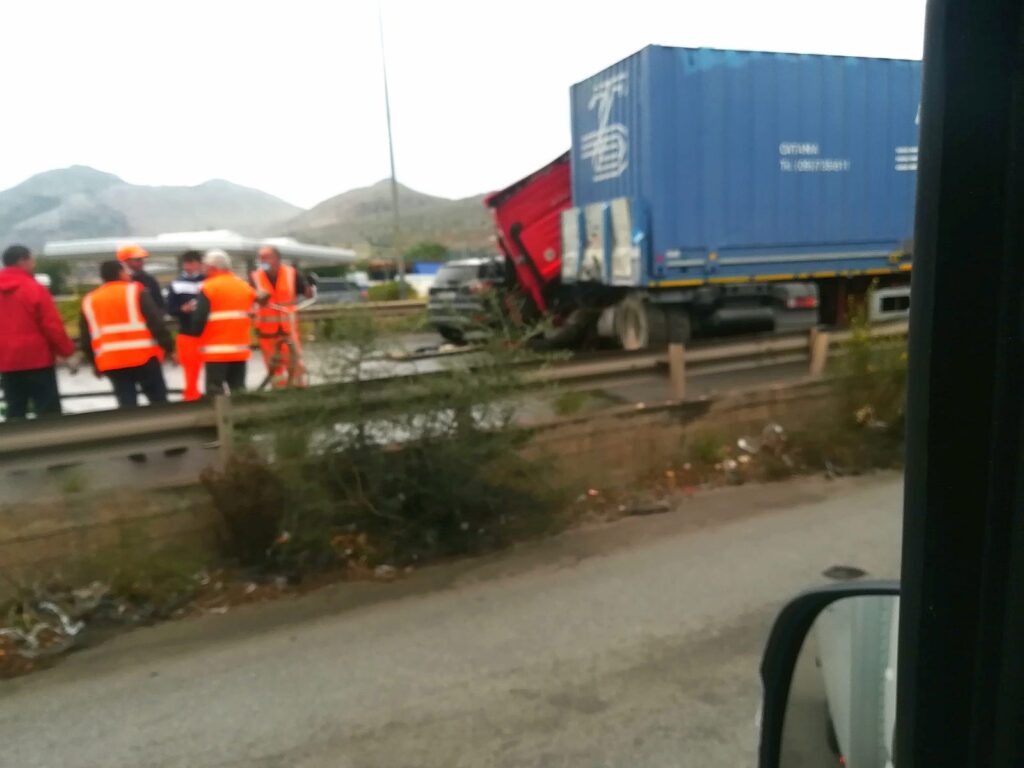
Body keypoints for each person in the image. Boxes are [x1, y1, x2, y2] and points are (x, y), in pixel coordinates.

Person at [80, 260, 175, 408]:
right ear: (120, 274)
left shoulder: (89, 300)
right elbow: (156, 323)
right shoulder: (136, 292)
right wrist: (170, 349)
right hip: (144, 358)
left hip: (112, 362)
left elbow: (86, 339)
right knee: (159, 403)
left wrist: (94, 363)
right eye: (125, 271)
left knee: (126, 405)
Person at [0, 244, 76, 419]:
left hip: (6, 362)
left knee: (15, 410)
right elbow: (52, 326)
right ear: (22, 261)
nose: (33, 265)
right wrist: (68, 352)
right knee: (48, 412)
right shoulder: (34, 288)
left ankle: (17, 445)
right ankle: (51, 444)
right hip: (38, 360)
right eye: (31, 260)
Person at [192, 249, 257, 396]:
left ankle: (218, 419)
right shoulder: (243, 285)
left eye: (205, 266)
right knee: (239, 391)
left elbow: (199, 319)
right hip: (240, 350)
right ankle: (242, 417)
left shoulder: (208, 287)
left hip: (216, 352)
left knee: (215, 392)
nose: (204, 269)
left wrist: (194, 334)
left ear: (212, 268)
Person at [250, 245, 313, 388]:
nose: (262, 260)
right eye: (260, 258)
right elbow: (250, 299)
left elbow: (306, 293)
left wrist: (310, 285)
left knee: (294, 363)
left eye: (266, 257)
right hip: (266, 331)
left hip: (288, 329)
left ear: (277, 259)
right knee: (273, 367)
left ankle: (300, 392)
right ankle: (279, 393)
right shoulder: (255, 277)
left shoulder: (292, 274)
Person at [165, 250, 206, 401]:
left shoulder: (209, 281)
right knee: (190, 370)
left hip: (210, 332)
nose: (187, 266)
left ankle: (216, 398)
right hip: (187, 332)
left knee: (215, 368)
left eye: (191, 263)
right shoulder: (176, 284)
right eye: (185, 263)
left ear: (200, 264)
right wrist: (182, 309)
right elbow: (170, 309)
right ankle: (191, 398)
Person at [117, 243, 166, 311]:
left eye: (141, 259)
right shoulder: (117, 281)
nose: (141, 262)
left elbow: (159, 303)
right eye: (137, 260)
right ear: (126, 261)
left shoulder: (149, 279)